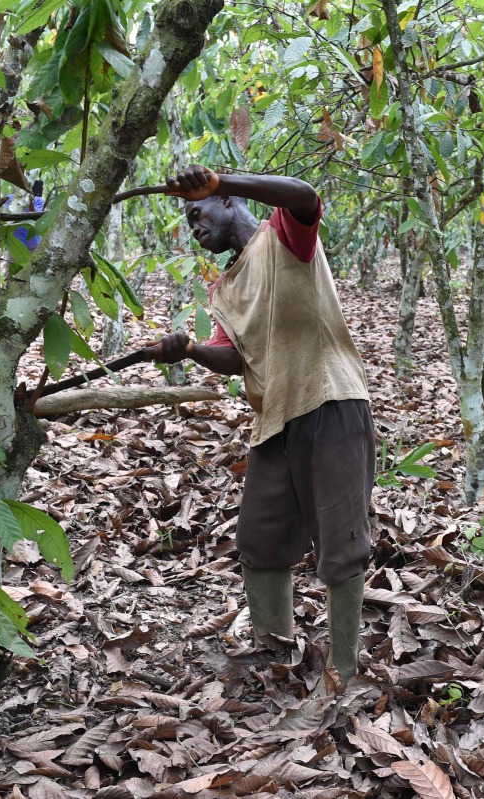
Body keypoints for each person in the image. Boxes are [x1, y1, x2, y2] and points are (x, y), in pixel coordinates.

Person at [149, 164, 375, 691]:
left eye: (198, 211)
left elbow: (306, 193)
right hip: (274, 418)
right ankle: (276, 656)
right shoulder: (225, 287)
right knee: (260, 540)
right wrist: (187, 350)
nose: (194, 225)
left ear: (228, 203)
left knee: (341, 541)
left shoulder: (285, 236)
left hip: (328, 400)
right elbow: (234, 358)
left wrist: (223, 179)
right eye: (187, 219)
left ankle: (344, 669)